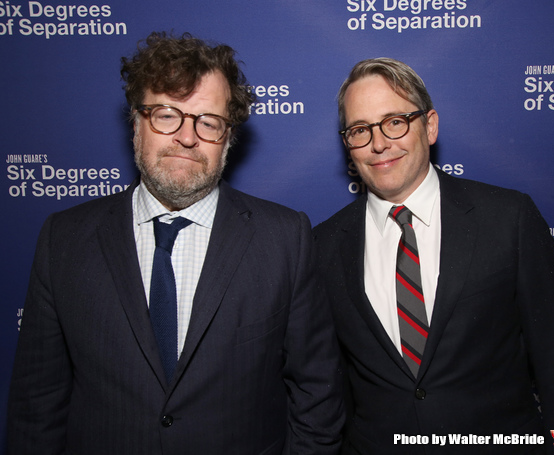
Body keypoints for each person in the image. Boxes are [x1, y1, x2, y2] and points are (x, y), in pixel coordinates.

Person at [7, 31, 344, 455]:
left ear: (228, 138)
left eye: (208, 121)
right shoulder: (65, 239)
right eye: (167, 114)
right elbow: (37, 405)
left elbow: (317, 394)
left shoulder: (284, 239)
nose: (187, 137)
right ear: (136, 121)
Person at [313, 57, 554, 454]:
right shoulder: (322, 245)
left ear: (429, 126)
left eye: (395, 121)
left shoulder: (508, 219)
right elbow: (329, 386)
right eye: (360, 129)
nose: (378, 143)